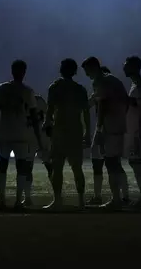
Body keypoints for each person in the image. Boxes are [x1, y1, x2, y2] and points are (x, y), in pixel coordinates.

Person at [0, 60, 43, 209]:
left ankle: (2, 200)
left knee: (3, 165)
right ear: (24, 72)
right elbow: (34, 116)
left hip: (6, 133)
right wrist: (38, 138)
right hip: (21, 134)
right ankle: (18, 201)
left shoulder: (2, 88)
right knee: (21, 167)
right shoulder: (27, 91)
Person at [42, 59, 90, 210]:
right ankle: (81, 201)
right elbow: (86, 112)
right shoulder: (80, 89)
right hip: (75, 129)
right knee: (77, 167)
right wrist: (88, 131)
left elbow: (49, 110)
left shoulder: (55, 87)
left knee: (57, 167)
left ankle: (57, 200)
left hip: (60, 130)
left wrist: (47, 125)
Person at [82, 57, 129, 209]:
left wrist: (100, 128)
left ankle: (116, 199)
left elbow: (102, 104)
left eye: (87, 71)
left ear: (93, 68)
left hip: (109, 127)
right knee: (114, 162)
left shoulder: (100, 81)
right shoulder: (113, 81)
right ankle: (123, 196)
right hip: (119, 126)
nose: (87, 75)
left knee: (110, 162)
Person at [123, 56, 141, 207]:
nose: (124, 67)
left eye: (126, 65)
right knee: (135, 162)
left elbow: (138, 106)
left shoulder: (140, 86)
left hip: (137, 131)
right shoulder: (136, 85)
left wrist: (121, 97)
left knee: (138, 162)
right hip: (134, 130)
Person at [87, 65, 112, 204]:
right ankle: (123, 195)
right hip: (111, 128)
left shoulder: (102, 91)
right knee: (113, 163)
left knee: (99, 162)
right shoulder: (112, 90)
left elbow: (87, 104)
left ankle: (98, 196)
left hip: (104, 129)